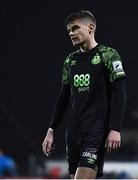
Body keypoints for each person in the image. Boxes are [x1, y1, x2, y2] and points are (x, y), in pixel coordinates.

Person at [42, 10, 126, 179]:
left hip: (96, 132)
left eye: (75, 28)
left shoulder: (108, 55)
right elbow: (63, 97)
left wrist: (115, 128)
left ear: (90, 28)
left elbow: (119, 92)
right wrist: (51, 130)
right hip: (72, 133)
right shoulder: (70, 61)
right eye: (69, 31)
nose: (71, 33)